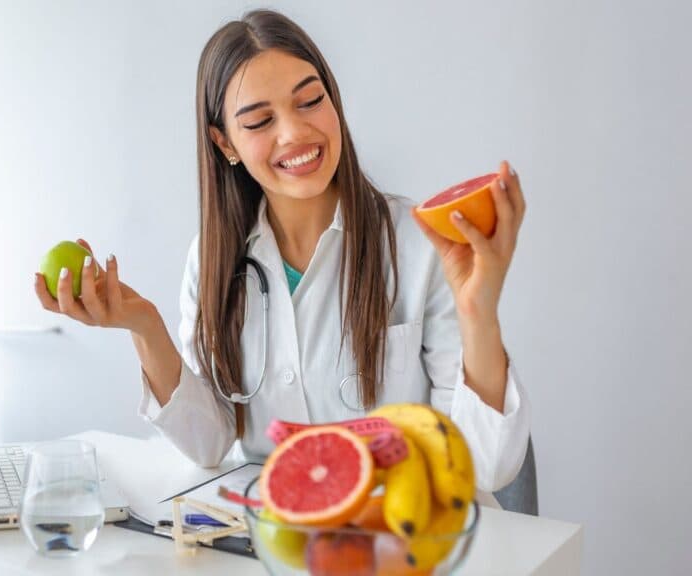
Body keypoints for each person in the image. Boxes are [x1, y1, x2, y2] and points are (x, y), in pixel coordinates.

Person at [34, 9, 529, 493]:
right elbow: (209, 443)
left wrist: (478, 312)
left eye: (310, 101)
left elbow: (485, 467)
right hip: (282, 541)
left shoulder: (416, 244)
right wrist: (143, 324)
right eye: (259, 121)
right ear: (224, 142)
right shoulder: (212, 258)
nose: (293, 133)